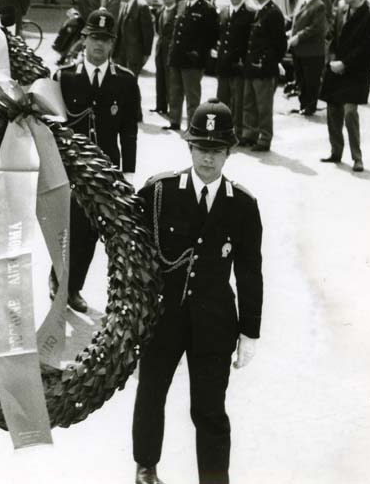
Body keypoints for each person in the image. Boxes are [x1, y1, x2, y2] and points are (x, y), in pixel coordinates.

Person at [132, 99, 262, 484]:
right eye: (201, 148)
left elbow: (250, 272)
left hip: (214, 323)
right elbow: (131, 253)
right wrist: (131, 312)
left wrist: (250, 332)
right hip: (163, 318)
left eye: (217, 150)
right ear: (189, 147)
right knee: (151, 393)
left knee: (209, 410)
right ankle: (146, 467)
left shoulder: (243, 205)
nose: (208, 158)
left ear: (229, 153)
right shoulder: (159, 192)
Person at [51, 8, 139, 312]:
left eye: (105, 39)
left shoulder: (125, 81)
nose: (99, 44)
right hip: (70, 168)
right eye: (94, 38)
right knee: (65, 227)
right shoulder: (64, 77)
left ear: (112, 43)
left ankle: (73, 286)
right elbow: (52, 126)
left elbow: (128, 129)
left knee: (90, 231)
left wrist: (128, 171)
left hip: (105, 170)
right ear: (84, 39)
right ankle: (57, 280)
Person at [319, 0, 370, 172]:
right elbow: (330, 36)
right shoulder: (341, 10)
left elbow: (366, 47)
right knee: (332, 111)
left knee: (350, 112)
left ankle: (357, 157)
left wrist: (344, 64)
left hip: (355, 72)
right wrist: (331, 60)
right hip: (336, 68)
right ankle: (335, 151)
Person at [166, 0, 218, 131]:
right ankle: (174, 121)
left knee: (192, 95)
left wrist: (198, 53)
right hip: (177, 56)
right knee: (175, 92)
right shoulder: (182, 5)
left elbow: (211, 36)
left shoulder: (207, 9)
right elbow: (176, 31)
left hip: (193, 60)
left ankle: (192, 125)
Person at [240, 0, 287, 151]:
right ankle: (249, 134)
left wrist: (268, 62)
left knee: (263, 106)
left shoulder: (273, 13)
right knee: (249, 103)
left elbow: (281, 44)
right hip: (252, 66)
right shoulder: (260, 11)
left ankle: (265, 138)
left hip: (263, 68)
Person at [213, 0, 255, 138]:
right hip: (224, 64)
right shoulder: (224, 12)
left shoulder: (250, 13)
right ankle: (221, 130)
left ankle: (237, 132)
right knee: (222, 100)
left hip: (239, 65)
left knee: (238, 102)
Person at [288, 0, 328, 116]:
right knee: (300, 79)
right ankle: (303, 104)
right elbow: (296, 21)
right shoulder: (301, 1)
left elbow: (315, 28)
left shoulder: (319, 6)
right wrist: (290, 32)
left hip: (312, 51)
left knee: (310, 80)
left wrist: (298, 37)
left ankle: (309, 107)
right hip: (298, 50)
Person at [112, 0, 154, 76]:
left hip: (134, 54)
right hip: (121, 54)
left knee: (131, 81)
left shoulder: (142, 6)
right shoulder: (124, 4)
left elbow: (148, 33)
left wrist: (146, 54)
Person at [151, 0, 179, 116]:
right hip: (160, 48)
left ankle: (171, 108)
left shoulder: (177, 12)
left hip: (170, 49)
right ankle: (160, 105)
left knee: (170, 80)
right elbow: (158, 29)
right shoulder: (161, 10)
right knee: (160, 78)